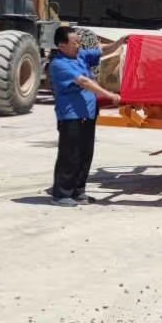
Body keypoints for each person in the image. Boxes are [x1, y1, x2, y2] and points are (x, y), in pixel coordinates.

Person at [46, 27, 125, 207]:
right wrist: (109, 95)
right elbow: (84, 81)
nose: (78, 45)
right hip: (71, 116)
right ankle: (61, 194)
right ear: (62, 45)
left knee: (85, 154)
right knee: (70, 155)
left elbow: (102, 50)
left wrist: (120, 42)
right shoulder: (59, 64)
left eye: (78, 41)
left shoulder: (80, 56)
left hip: (88, 113)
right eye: (74, 42)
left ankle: (78, 191)